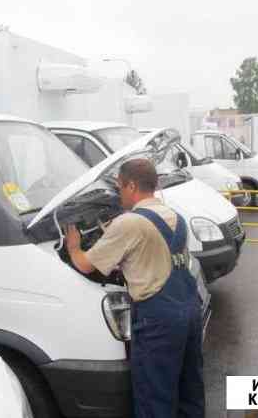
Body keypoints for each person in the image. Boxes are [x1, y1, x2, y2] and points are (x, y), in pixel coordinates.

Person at [65, 158, 205, 418]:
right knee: (189, 390)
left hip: (158, 320)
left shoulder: (129, 223)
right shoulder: (176, 216)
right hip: (189, 310)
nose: (119, 194)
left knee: (155, 396)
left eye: (119, 187)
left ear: (131, 186)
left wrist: (73, 245)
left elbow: (85, 265)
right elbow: (157, 257)